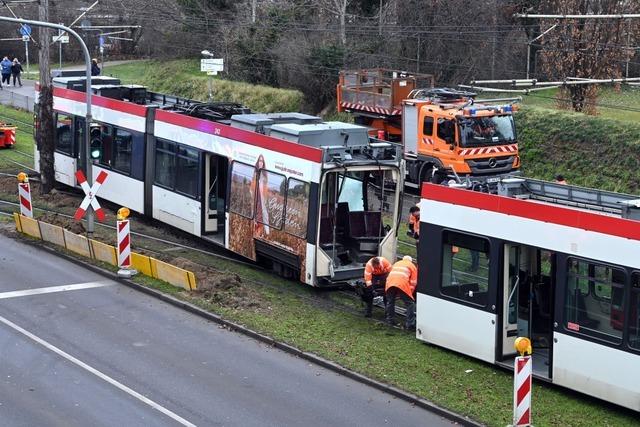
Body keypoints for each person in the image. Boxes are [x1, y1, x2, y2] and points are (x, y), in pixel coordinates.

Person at [385, 255, 418, 330]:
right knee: (410, 304)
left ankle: (390, 320)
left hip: (389, 283)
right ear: (411, 261)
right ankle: (410, 324)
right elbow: (413, 282)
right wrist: (410, 293)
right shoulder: (412, 266)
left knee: (390, 302)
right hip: (402, 284)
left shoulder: (396, 263)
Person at [253, 154, 270, 236]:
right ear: (257, 162)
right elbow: (252, 186)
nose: (261, 163)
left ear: (263, 163)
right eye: (259, 161)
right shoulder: (255, 172)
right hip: (255, 197)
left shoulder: (264, 175)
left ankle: (266, 233)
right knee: (255, 215)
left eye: (262, 161)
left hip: (262, 198)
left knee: (264, 215)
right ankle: (255, 232)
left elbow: (265, 188)